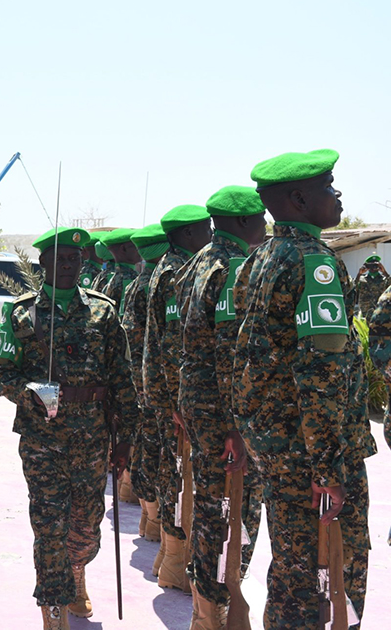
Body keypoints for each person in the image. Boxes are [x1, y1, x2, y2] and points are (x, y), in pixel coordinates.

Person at [233, 149, 374, 629]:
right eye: (329, 187)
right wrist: (328, 467)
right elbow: (320, 377)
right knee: (332, 576)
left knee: (293, 572)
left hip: (278, 446)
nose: (337, 195)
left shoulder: (259, 259)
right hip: (311, 452)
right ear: (298, 198)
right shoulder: (316, 264)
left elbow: (246, 356)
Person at [0, 227, 136, 629]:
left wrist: (125, 439)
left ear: (82, 263)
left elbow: (122, 377)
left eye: (74, 258)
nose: (68, 265)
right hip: (42, 438)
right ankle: (54, 608)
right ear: (44, 264)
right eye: (60, 259)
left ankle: (76, 573)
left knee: (87, 524)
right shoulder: (21, 313)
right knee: (49, 522)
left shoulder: (103, 312)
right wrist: (30, 391)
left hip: (92, 437)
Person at [177, 185, 267, 627]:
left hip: (200, 406)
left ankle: (206, 610)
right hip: (223, 414)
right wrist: (236, 426)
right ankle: (217, 611)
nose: (267, 227)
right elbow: (231, 352)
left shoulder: (195, 264)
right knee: (233, 515)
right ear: (246, 223)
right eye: (262, 220)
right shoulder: (232, 268)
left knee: (211, 510)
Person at [142, 204, 211, 591]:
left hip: (168, 395)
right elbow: (172, 344)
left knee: (174, 474)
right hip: (175, 397)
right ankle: (173, 562)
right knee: (178, 477)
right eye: (206, 230)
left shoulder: (174, 268)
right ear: (186, 235)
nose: (212, 237)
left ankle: (170, 560)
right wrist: (177, 403)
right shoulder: (174, 273)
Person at [121, 224, 169, 543]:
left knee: (144, 451)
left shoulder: (136, 285)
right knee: (158, 457)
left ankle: (150, 524)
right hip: (157, 387)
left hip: (139, 383)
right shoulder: (159, 283)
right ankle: (164, 538)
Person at [98, 228, 139, 307]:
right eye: (135, 246)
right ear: (123, 249)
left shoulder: (115, 277)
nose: (139, 250)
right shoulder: (129, 278)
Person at [353, 254, 389, 321]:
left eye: (375, 266)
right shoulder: (361, 279)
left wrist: (384, 272)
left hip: (380, 313)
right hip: (365, 314)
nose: (373, 268)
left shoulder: (384, 279)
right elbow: (353, 289)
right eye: (370, 266)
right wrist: (359, 274)